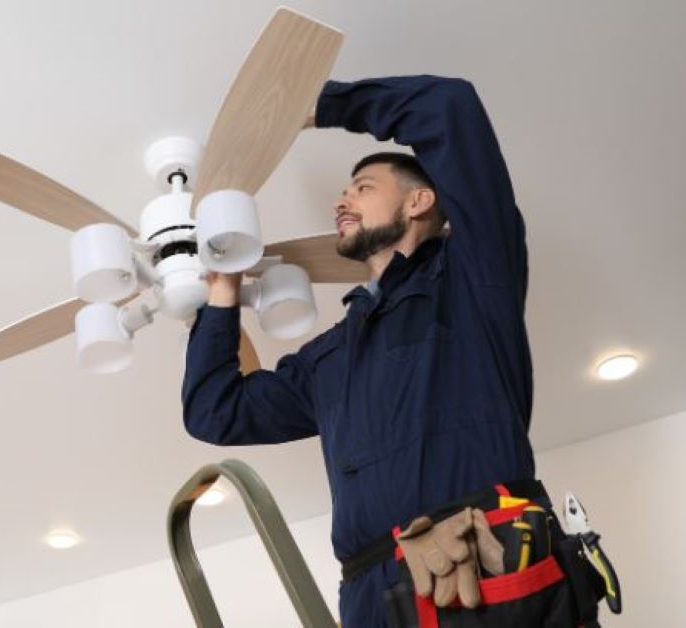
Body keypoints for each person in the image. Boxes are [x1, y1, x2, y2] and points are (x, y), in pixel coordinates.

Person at [182, 76, 601, 626]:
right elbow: (216, 409)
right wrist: (221, 291)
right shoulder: (330, 358)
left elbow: (449, 107)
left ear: (421, 201)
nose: (341, 200)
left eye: (362, 187)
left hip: (485, 561)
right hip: (372, 594)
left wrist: (313, 104)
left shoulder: (472, 282)